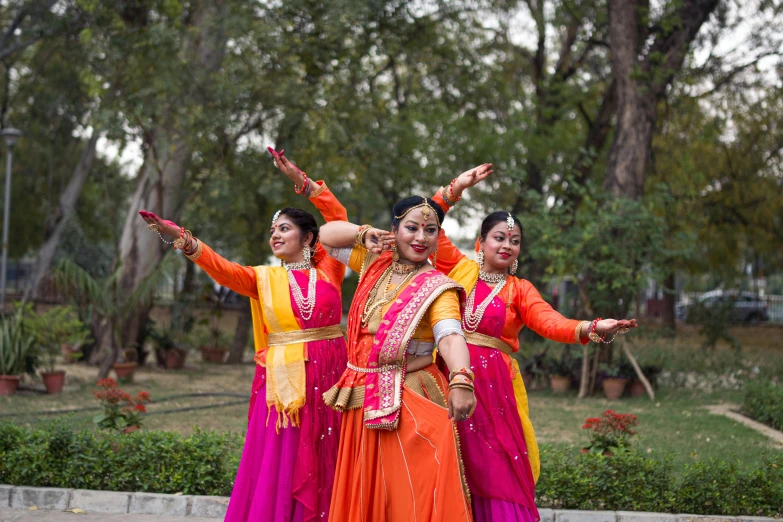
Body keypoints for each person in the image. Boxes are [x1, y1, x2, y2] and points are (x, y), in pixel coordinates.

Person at [138, 148, 348, 522]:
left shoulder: (330, 268)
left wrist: (302, 183)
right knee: (285, 459)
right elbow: (221, 269)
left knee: (329, 453)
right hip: (285, 384)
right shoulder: (262, 279)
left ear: (309, 237)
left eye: (284, 228)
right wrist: (183, 240)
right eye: (272, 231)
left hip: (332, 377)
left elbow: (338, 218)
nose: (275, 235)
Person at [423, 168, 638, 522]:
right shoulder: (457, 269)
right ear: (480, 243)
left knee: (497, 466)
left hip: (494, 393)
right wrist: (455, 188)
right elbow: (429, 221)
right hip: (449, 379)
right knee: (449, 465)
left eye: (514, 240)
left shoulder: (519, 290)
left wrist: (594, 325)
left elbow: (550, 321)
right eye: (499, 237)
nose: (507, 245)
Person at [318, 196, 478, 522]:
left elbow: (449, 336)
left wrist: (462, 376)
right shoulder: (372, 262)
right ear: (394, 229)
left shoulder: (439, 287)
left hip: (406, 394)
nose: (421, 237)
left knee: (405, 491)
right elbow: (325, 236)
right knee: (363, 487)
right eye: (412, 228)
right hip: (362, 393)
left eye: (430, 230)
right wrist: (363, 234)